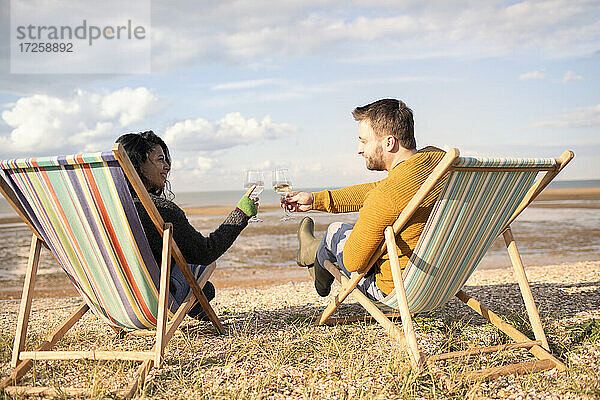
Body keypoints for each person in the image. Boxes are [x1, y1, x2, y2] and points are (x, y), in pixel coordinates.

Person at [283, 99, 447, 300]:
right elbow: (379, 189)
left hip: (394, 294)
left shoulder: (386, 196)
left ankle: (315, 257)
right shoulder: (442, 165)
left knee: (334, 231)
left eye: (364, 140)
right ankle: (314, 252)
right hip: (442, 284)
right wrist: (315, 200)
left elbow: (353, 262)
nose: (359, 149)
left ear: (389, 142)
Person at [116, 131, 258, 320]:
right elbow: (205, 252)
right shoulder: (161, 210)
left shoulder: (104, 208)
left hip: (117, 303)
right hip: (158, 304)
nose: (167, 166)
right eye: (160, 160)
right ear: (138, 165)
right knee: (204, 287)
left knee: (202, 286)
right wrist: (241, 213)